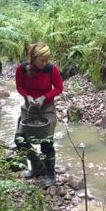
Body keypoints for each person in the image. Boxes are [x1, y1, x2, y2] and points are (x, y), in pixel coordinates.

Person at [14, 42, 63, 185]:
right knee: (20, 140)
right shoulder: (21, 69)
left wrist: (44, 97)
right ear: (33, 58)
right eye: (42, 60)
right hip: (29, 108)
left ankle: (50, 174)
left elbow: (59, 88)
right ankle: (37, 166)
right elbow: (19, 87)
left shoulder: (51, 69)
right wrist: (27, 96)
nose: (45, 63)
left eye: (47, 59)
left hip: (47, 109)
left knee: (46, 142)